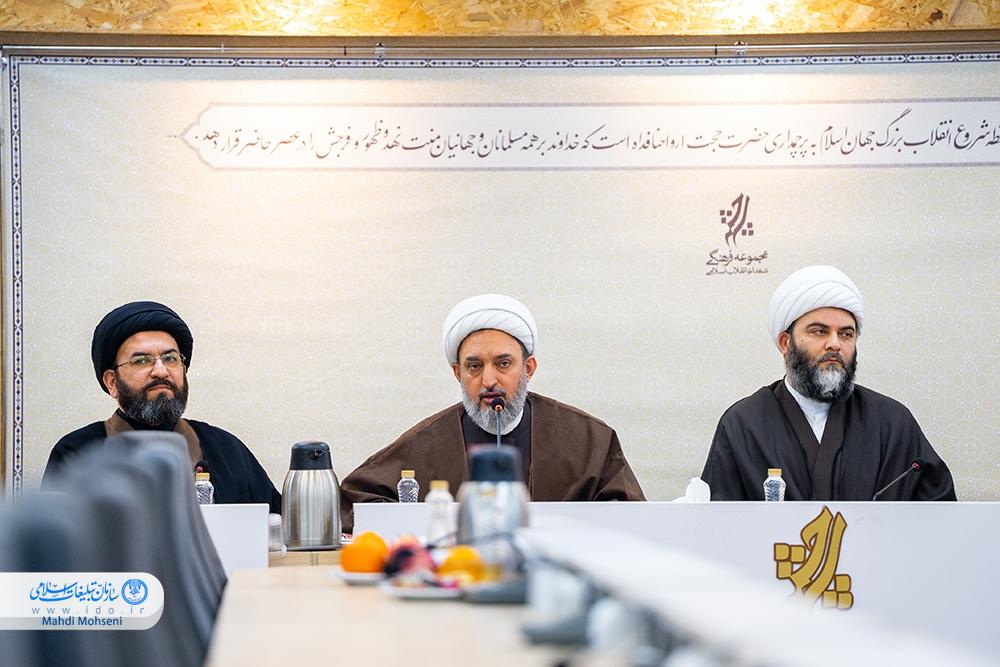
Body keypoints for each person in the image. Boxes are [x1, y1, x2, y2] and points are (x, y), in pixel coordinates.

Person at [340, 294, 645, 531]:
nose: (488, 380)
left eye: (503, 364)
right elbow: (354, 504)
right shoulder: (425, 442)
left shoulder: (589, 440)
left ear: (528, 369)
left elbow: (631, 521)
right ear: (458, 373)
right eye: (474, 366)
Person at [701, 266, 956, 501]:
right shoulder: (743, 424)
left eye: (846, 334)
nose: (835, 344)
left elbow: (939, 518)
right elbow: (717, 524)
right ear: (785, 343)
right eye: (819, 331)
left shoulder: (892, 422)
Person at [43, 301, 281, 512]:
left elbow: (276, 529)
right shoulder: (77, 453)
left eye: (170, 358)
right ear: (112, 382)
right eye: (141, 361)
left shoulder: (227, 450)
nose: (161, 371)